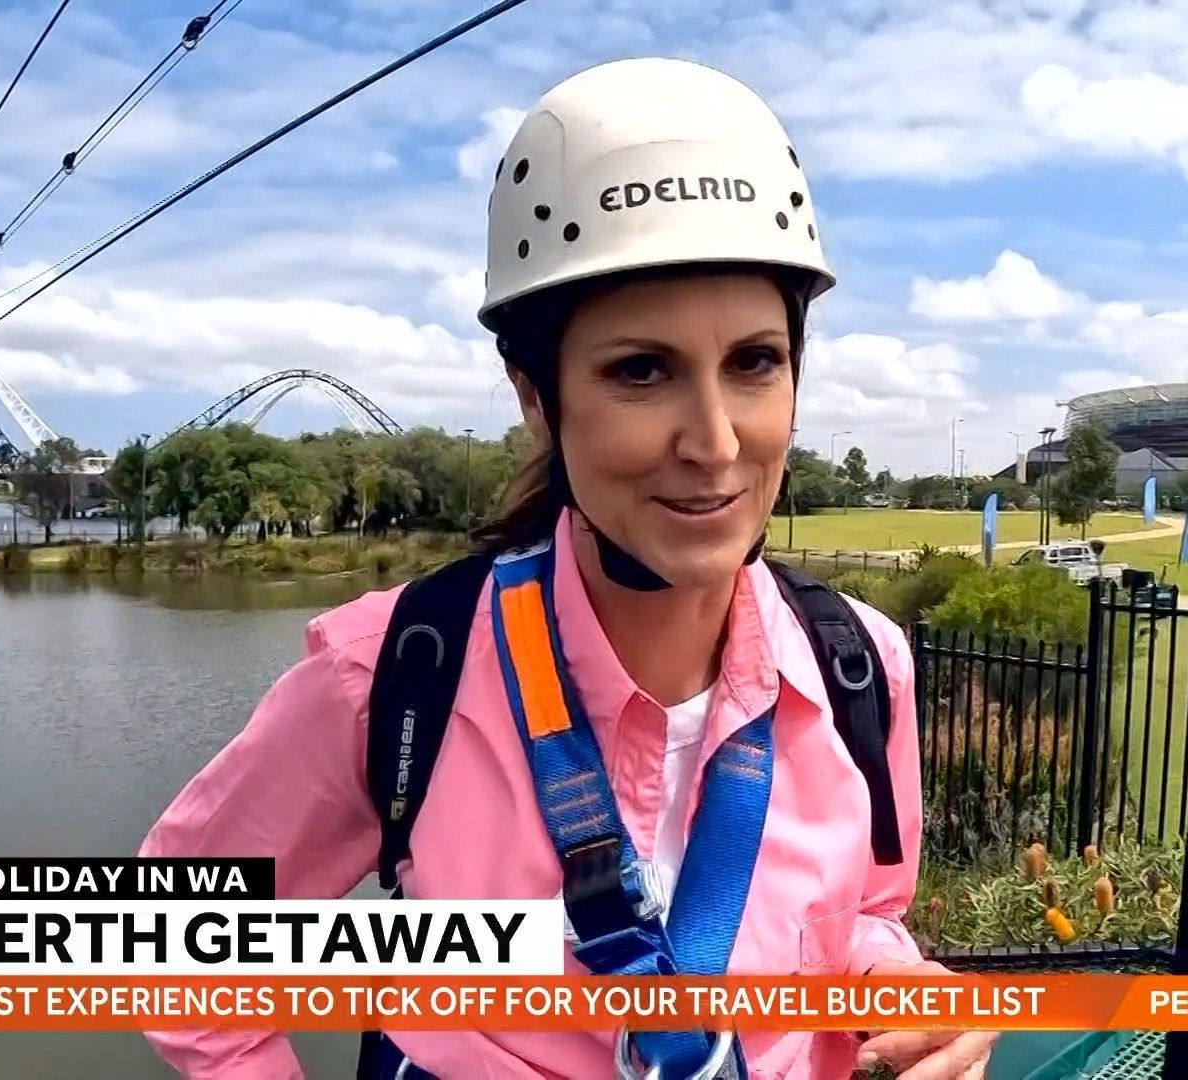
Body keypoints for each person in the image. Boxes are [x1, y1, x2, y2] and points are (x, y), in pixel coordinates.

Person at [137, 57, 997, 1079]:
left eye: (754, 362)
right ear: (537, 399)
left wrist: (897, 985)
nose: (716, 442)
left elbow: (860, 913)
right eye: (642, 371)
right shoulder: (400, 679)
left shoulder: (858, 668)